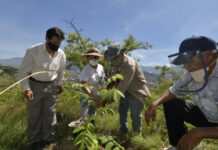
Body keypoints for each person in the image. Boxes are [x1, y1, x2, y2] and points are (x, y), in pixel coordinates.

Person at [145, 36, 218, 150]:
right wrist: (155, 103)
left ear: (208, 56)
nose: (185, 66)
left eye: (189, 61)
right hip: (205, 115)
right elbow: (172, 91)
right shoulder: (191, 74)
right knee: (172, 104)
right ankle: (178, 146)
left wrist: (199, 132)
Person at [18, 27, 66, 149]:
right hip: (35, 84)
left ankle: (48, 139)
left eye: (59, 43)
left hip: (52, 85)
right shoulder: (33, 51)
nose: (56, 45)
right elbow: (23, 72)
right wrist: (27, 89)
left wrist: (59, 84)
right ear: (47, 38)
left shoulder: (61, 54)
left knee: (50, 113)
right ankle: (35, 141)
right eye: (54, 42)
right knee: (34, 114)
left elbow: (61, 71)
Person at [104, 42, 151, 135]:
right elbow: (116, 75)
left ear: (121, 55)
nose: (113, 61)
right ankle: (123, 132)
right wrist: (110, 80)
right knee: (122, 111)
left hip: (136, 92)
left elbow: (123, 86)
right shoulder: (118, 63)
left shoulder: (130, 64)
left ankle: (137, 135)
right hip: (124, 92)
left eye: (114, 58)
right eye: (111, 59)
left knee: (135, 114)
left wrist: (107, 99)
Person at [79, 47, 105, 118]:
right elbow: (83, 84)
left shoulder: (101, 67)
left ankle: (92, 127)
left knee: (93, 115)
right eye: (92, 58)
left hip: (96, 94)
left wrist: (100, 95)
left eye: (96, 57)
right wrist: (93, 97)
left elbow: (102, 81)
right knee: (84, 115)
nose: (94, 59)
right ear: (88, 58)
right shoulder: (86, 69)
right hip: (86, 95)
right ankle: (83, 128)